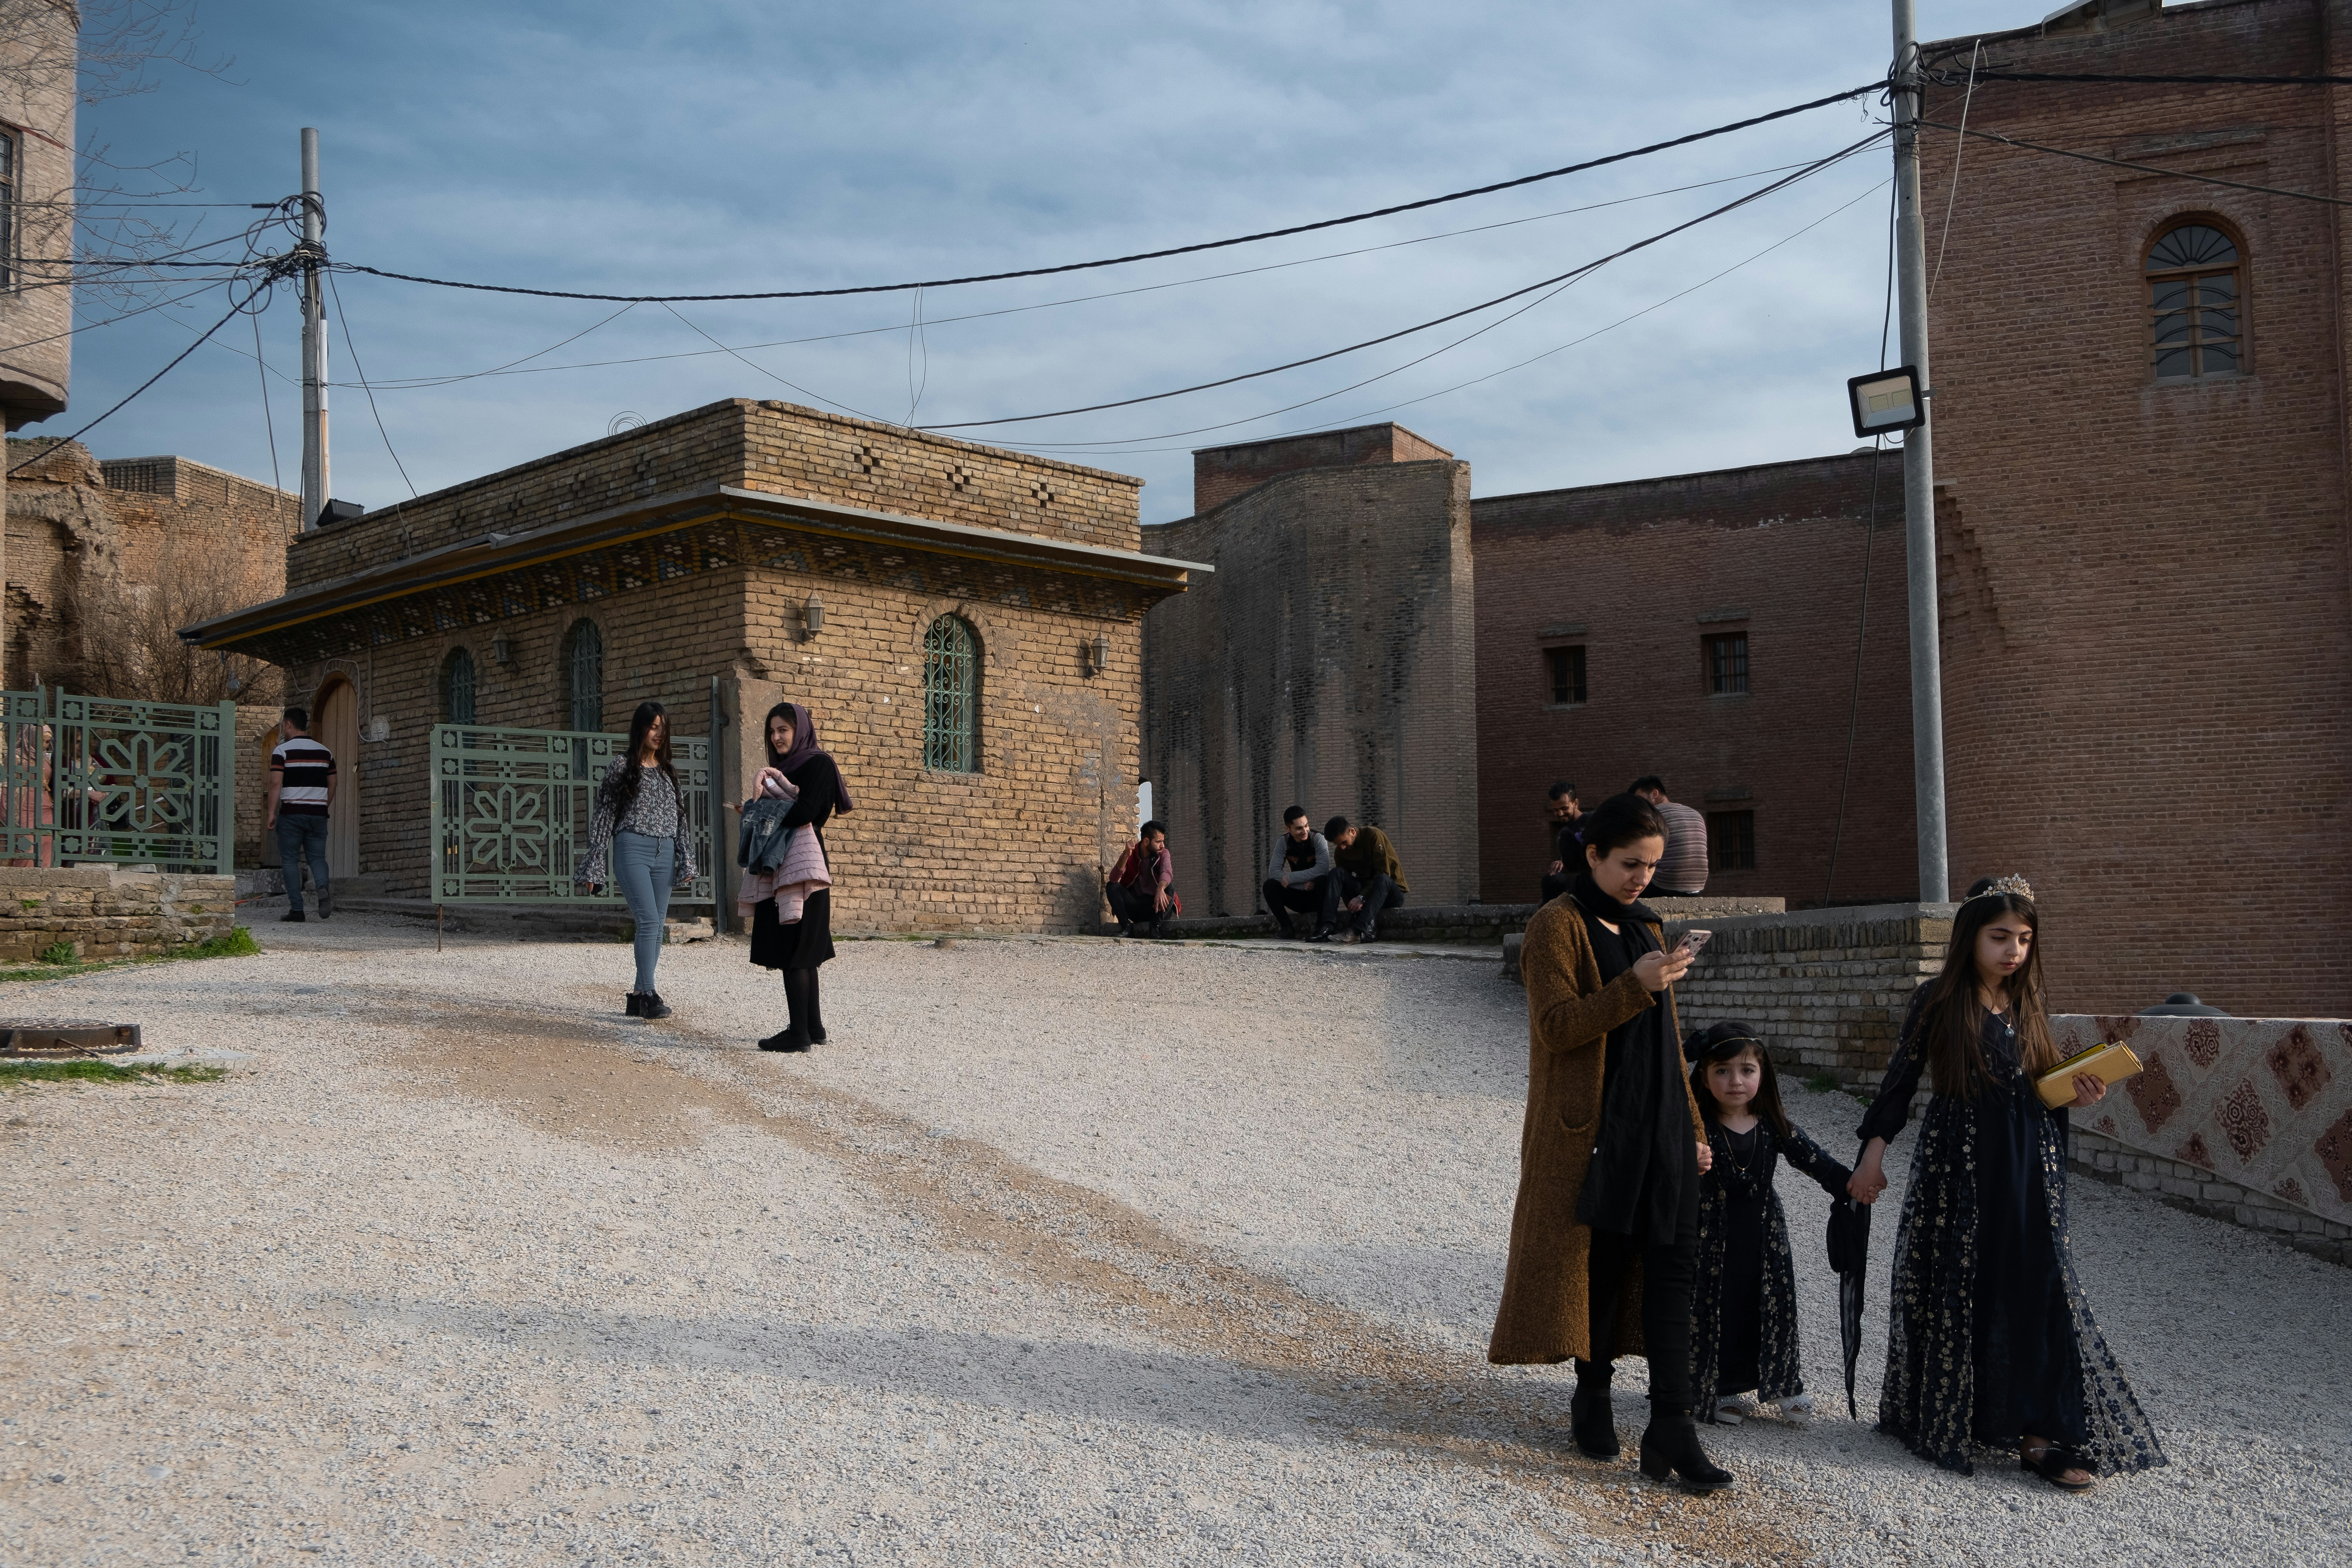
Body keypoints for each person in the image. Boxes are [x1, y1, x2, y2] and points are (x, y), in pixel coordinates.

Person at [1848, 875, 2168, 1488]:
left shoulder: (2027, 1002)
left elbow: (2041, 1084)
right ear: (1969, 938)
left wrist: (2078, 1090)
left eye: (2023, 939)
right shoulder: (1936, 1000)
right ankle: (1954, 1414)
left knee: (2038, 1285)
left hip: (2029, 1162)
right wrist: (1871, 1157)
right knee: (1965, 1282)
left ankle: (2039, 1435)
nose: (2012, 950)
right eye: (1999, 937)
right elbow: (1897, 1086)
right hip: (1960, 1165)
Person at [1489, 792, 1731, 1491]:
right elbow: (1558, 1028)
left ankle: (1672, 1426)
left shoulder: (1648, 928)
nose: (1641, 878)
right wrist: (1633, 985)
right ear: (1590, 855)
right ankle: (1591, 1397)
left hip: (1659, 1127)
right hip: (1594, 1134)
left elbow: (1665, 1046)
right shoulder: (1553, 928)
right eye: (1629, 864)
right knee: (1598, 1269)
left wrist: (1691, 1128)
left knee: (1671, 1276)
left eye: (1652, 866)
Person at [1684, 1020, 1850, 1429]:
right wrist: (1686, 1157)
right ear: (1703, 1077)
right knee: (1720, 1309)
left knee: (1773, 1306)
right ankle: (1723, 1386)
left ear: (1763, 1073)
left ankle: (1782, 1383)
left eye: (1746, 1070)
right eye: (1722, 1070)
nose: (1735, 1081)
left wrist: (1853, 1183)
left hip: (1765, 1236)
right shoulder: (1695, 1129)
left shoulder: (1773, 1124)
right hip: (1712, 1238)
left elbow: (1817, 1161)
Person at [745, 702, 852, 1053]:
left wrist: (763, 809)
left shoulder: (817, 763)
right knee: (803, 948)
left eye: (783, 730)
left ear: (800, 730)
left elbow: (806, 811)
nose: (776, 737)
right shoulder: (783, 770)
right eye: (772, 731)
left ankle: (798, 1034)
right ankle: (813, 1027)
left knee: (798, 948)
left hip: (803, 864)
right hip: (787, 860)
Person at [582, 702, 698, 1021]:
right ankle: (649, 993)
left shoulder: (668, 773)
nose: (659, 733)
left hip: (665, 851)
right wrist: (595, 862)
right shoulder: (621, 766)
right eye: (653, 726)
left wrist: (685, 858)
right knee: (648, 919)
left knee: (656, 926)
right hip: (632, 848)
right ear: (641, 729)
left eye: (663, 727)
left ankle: (636, 997)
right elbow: (604, 816)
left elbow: (681, 820)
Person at [265, 706, 337, 923]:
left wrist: (271, 813)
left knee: (289, 859)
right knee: (317, 858)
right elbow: (333, 783)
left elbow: (276, 783)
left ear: (288, 725)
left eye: (283, 726)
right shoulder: (326, 753)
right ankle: (323, 889)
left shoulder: (282, 752)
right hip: (318, 815)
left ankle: (297, 910)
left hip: (292, 814)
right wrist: (324, 806)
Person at [1261, 806, 1337, 942]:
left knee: (1323, 880)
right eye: (1299, 828)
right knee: (1269, 885)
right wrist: (1301, 886)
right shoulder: (1283, 842)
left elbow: (1322, 869)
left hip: (1318, 895)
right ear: (1288, 829)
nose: (1305, 831)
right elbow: (1274, 872)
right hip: (1298, 895)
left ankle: (1320, 927)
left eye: (1306, 826)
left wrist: (1291, 877)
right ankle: (1287, 928)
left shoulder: (1318, 839)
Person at [1324, 815, 1406, 942]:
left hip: (1390, 892)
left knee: (1382, 879)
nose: (1342, 848)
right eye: (1338, 845)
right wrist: (1354, 907)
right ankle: (1327, 926)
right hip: (1366, 892)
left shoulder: (1373, 836)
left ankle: (1356, 932)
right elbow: (1344, 884)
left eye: (1344, 842)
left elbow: (1384, 873)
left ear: (1352, 831)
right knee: (1337, 873)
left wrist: (1361, 897)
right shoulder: (1340, 852)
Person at [1631, 777, 1707, 897]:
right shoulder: (1695, 813)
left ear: (1654, 794)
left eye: (1640, 799)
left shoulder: (1652, 814)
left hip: (1666, 885)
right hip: (1696, 887)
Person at [1105, 821, 1175, 938]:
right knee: (1111, 886)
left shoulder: (1164, 853)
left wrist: (1160, 888)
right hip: (1136, 907)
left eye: (1163, 841)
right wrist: (1126, 855)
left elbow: (1167, 872)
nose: (1162, 846)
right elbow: (1113, 878)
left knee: (1169, 887)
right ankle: (1126, 927)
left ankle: (1155, 928)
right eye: (1159, 842)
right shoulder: (1132, 854)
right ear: (1147, 841)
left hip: (1157, 908)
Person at [1540, 782, 1582, 903]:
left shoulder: (1589, 823)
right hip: (1574, 882)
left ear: (1575, 804)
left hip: (1593, 881)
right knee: (1551, 879)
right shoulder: (1565, 831)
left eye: (1564, 808)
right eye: (1555, 810)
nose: (1560, 814)